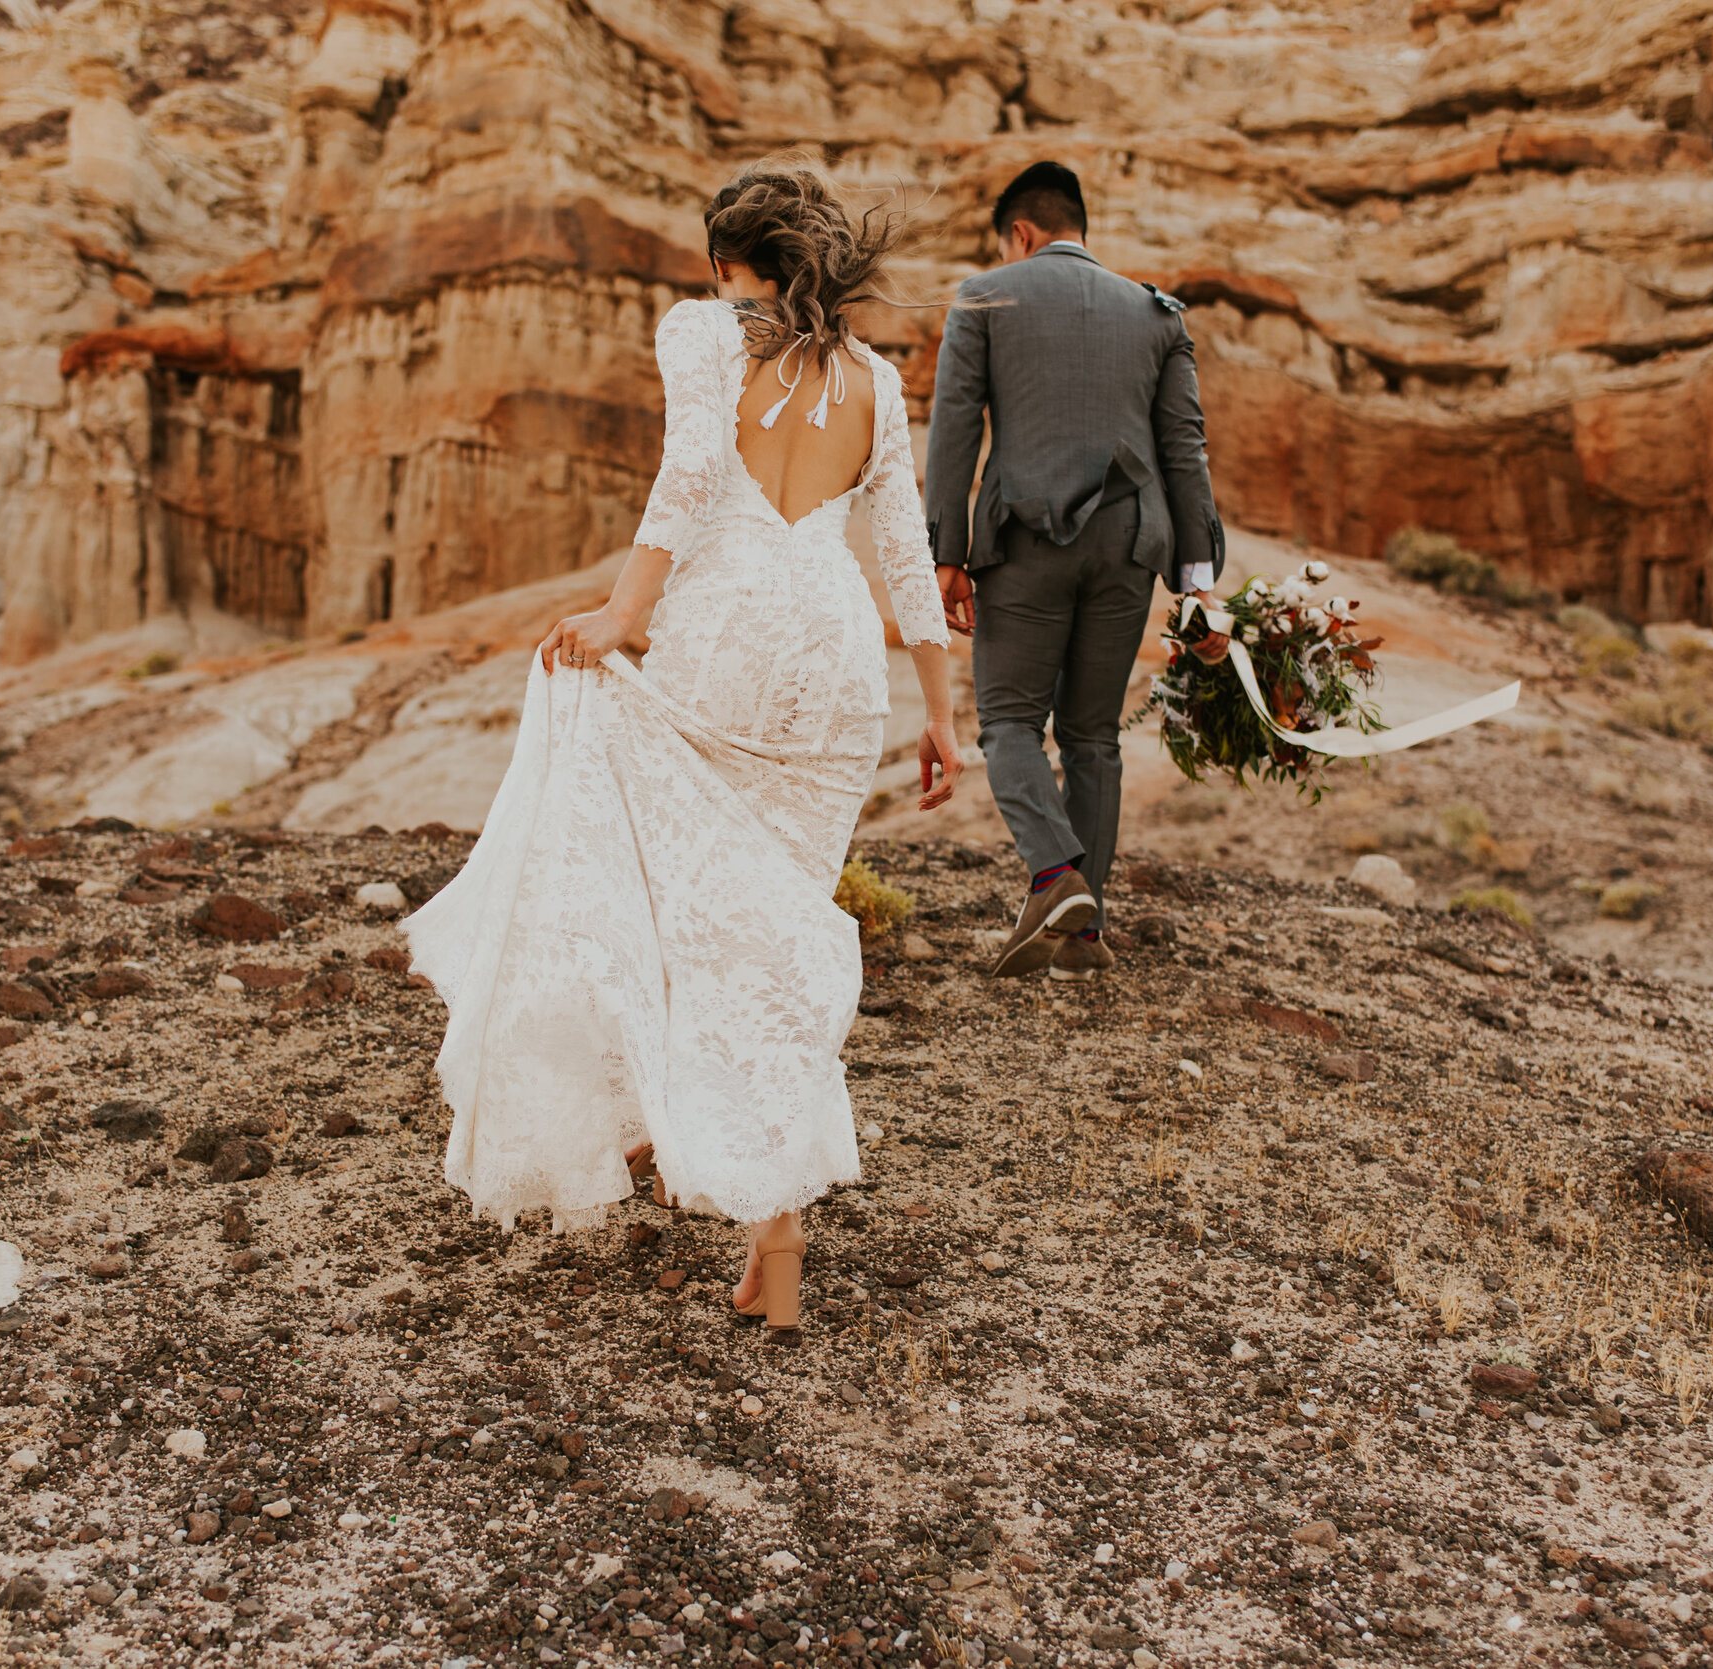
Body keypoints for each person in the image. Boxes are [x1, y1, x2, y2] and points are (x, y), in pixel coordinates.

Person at [404, 158, 961, 1337]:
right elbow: (905, 555)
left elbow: (694, 473)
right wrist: (944, 719)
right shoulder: (872, 374)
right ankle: (774, 1230)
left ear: (725, 264)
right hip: (835, 674)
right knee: (775, 937)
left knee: (694, 920)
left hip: (730, 643)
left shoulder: (704, 333)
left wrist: (622, 616)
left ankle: (747, 1185)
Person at [923, 160, 1226, 980]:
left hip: (1025, 539)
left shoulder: (986, 296)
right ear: (1077, 226)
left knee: (1011, 723)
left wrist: (945, 558)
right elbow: (1183, 446)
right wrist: (1197, 584)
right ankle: (1082, 936)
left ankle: (1056, 878)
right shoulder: (1155, 313)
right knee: (1093, 735)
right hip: (1132, 544)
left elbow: (954, 428)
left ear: (1020, 234)